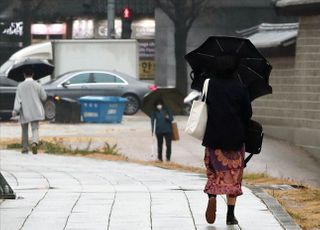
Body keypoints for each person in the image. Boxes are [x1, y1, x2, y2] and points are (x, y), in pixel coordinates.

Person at [202, 56, 252, 225]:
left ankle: (212, 196)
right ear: (235, 69)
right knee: (234, 174)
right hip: (235, 139)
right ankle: (230, 215)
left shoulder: (210, 85)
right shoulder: (240, 87)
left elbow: (204, 105)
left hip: (213, 137)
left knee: (214, 171)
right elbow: (248, 114)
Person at [12, 68, 47, 154]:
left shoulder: (20, 86)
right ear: (33, 74)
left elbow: (18, 100)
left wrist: (15, 110)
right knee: (35, 128)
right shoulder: (37, 85)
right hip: (36, 110)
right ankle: (34, 143)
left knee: (24, 129)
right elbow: (44, 97)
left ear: (24, 74)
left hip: (24, 111)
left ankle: (25, 147)